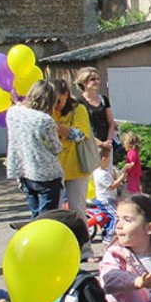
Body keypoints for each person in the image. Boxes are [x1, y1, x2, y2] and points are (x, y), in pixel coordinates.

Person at [6, 79, 64, 218]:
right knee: (46, 217)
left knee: (34, 214)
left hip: (23, 171)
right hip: (46, 174)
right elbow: (55, 148)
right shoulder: (44, 120)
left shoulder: (12, 112)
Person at [52, 78, 94, 219]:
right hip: (54, 169)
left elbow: (79, 135)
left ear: (67, 95)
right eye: (52, 102)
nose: (55, 106)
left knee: (77, 210)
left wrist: (58, 128)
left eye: (58, 101)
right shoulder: (49, 111)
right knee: (54, 210)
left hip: (76, 168)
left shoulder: (78, 109)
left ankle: (83, 241)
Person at [92, 146, 131, 245]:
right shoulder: (100, 174)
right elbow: (112, 186)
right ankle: (109, 237)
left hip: (109, 198)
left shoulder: (103, 172)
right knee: (116, 216)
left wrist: (123, 171)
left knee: (112, 216)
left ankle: (107, 233)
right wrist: (123, 176)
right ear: (103, 159)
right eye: (109, 159)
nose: (110, 161)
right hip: (105, 200)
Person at [75, 68, 116, 154]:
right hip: (89, 146)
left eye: (98, 79)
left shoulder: (103, 99)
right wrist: (100, 143)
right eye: (92, 79)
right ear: (84, 82)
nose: (96, 81)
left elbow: (111, 122)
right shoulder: (78, 102)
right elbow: (80, 127)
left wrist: (108, 141)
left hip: (107, 146)